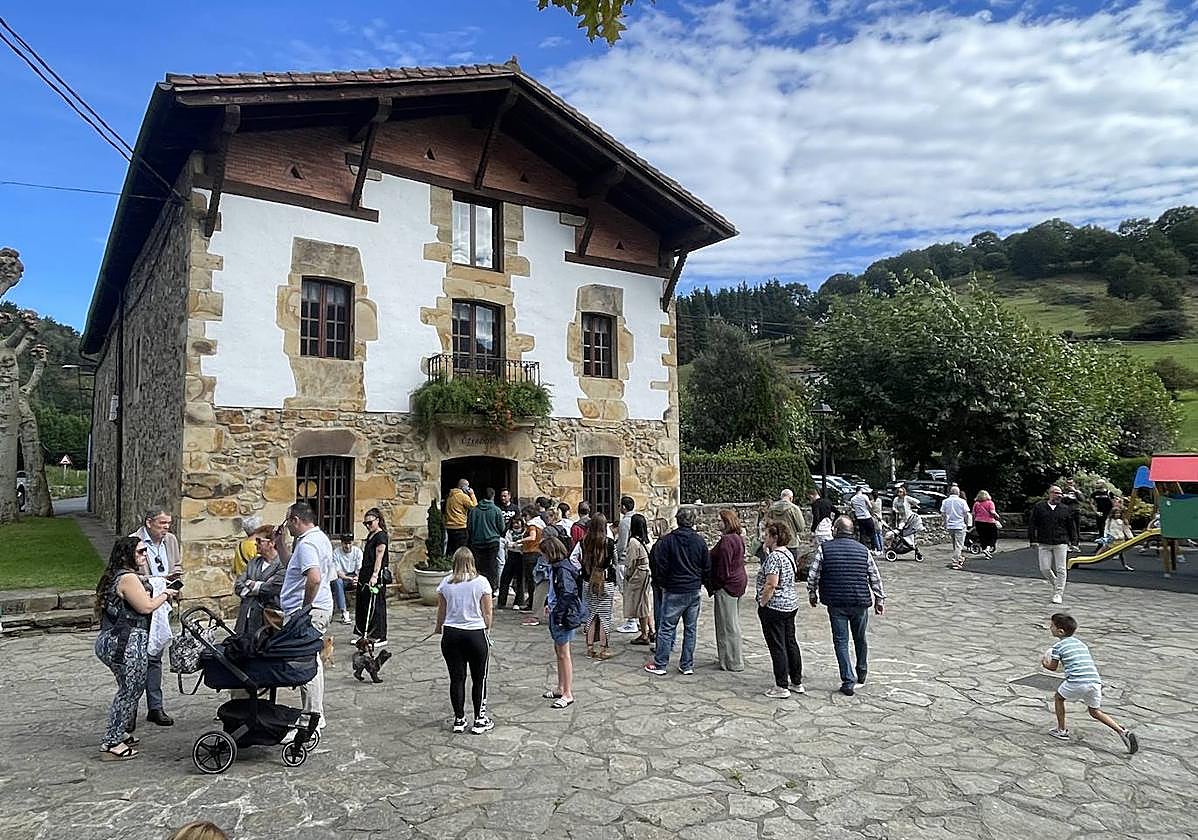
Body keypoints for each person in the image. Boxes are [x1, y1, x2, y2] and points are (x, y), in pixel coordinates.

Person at [93, 536, 177, 760]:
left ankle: (119, 733)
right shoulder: (128, 578)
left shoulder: (119, 575)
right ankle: (112, 742)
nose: (144, 555)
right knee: (129, 691)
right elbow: (146, 606)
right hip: (125, 643)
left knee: (128, 688)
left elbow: (145, 582)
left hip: (117, 640)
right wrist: (165, 595)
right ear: (127, 555)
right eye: (140, 552)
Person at [807, 516, 886, 696]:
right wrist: (879, 600)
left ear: (835, 530)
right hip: (859, 600)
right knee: (860, 638)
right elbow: (874, 576)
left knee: (841, 641)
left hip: (836, 601)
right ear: (851, 532)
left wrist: (812, 593)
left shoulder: (825, 549)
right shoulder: (863, 550)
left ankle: (848, 679)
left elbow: (813, 574)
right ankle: (862, 670)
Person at [1042, 613, 1138, 754]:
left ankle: (1061, 730)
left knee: (1059, 698)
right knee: (1095, 711)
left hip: (1077, 681)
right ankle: (1122, 731)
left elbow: (1053, 667)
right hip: (1094, 682)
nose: (1050, 627)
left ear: (1060, 631)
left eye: (1052, 626)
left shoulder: (1057, 647)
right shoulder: (1081, 644)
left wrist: (1044, 663)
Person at [280, 502, 334, 730]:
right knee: (312, 659)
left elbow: (313, 577)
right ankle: (314, 712)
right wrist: (279, 544)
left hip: (309, 612)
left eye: (287, 521)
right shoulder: (317, 539)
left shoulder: (308, 544)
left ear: (295, 520)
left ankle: (313, 715)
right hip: (319, 608)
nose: (286, 526)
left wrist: (304, 608)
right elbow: (291, 566)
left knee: (305, 661)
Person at [130, 506, 181, 727]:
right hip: (141, 604)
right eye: (162, 524)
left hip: (163, 606)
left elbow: (177, 564)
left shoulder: (170, 540)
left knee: (155, 658)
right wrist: (156, 580)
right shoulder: (134, 542)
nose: (166, 528)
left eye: (168, 524)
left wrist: (175, 580)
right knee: (136, 659)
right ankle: (129, 710)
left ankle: (155, 707)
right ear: (149, 522)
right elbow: (129, 575)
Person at [644, 506, 710, 677]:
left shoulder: (668, 541)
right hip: (692, 589)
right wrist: (701, 581)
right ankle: (686, 664)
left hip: (674, 589)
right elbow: (706, 566)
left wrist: (663, 584)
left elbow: (660, 566)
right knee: (690, 628)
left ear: (677, 520)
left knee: (666, 627)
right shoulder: (699, 541)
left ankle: (661, 663)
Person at [435, 547, 495, 734]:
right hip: (475, 633)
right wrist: (487, 628)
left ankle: (459, 719)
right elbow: (487, 611)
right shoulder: (481, 582)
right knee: (479, 679)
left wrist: (439, 627)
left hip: (452, 634)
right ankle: (479, 719)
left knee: (457, 678)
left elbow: (441, 610)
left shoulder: (446, 583)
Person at [756, 521, 804, 697]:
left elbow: (771, 583)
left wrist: (762, 601)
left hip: (775, 606)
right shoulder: (788, 554)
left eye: (767, 535)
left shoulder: (775, 558)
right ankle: (796, 680)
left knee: (777, 645)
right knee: (790, 642)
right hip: (790, 603)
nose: (764, 537)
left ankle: (781, 685)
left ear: (775, 537)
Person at [706, 509, 747, 672]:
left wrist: (716, 585)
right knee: (731, 622)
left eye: (720, 521)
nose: (717, 523)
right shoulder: (738, 538)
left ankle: (732, 661)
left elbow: (723, 568)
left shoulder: (727, 541)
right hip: (738, 582)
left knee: (728, 624)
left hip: (728, 585)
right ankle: (728, 658)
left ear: (727, 522)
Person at [544, 534, 582, 708]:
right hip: (558, 612)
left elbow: (566, 594)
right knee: (559, 652)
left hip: (563, 615)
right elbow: (555, 590)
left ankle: (567, 692)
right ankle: (561, 687)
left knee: (564, 653)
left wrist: (558, 615)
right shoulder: (558, 567)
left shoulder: (562, 569)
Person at [573, 513, 617, 659]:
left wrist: (583, 568)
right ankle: (604, 648)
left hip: (588, 581)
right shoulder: (610, 543)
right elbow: (615, 562)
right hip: (605, 581)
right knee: (604, 616)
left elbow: (573, 558)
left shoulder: (583, 542)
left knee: (592, 614)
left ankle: (590, 647)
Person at [1028, 485, 1079, 604]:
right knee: (1044, 568)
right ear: (1050, 493)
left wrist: (1074, 541)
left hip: (1061, 541)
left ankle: (1058, 593)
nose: (1059, 495)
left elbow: (1071, 526)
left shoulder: (1065, 509)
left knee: (1061, 568)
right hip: (1044, 541)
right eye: (1056, 493)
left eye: (1060, 493)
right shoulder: (1039, 507)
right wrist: (1032, 539)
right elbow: (1032, 524)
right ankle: (1057, 583)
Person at [233, 525, 284, 637]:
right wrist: (258, 587)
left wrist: (252, 585)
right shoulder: (254, 562)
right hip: (245, 619)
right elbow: (238, 585)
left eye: (259, 540)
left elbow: (273, 589)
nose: (255, 544)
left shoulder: (282, 565)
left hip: (267, 621)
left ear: (272, 543)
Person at [354, 507, 389, 645]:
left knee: (376, 604)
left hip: (375, 574)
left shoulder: (381, 536)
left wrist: (374, 575)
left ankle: (380, 635)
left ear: (378, 521)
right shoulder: (371, 535)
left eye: (370, 523)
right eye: (366, 524)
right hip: (365, 572)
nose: (368, 526)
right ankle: (364, 633)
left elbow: (379, 556)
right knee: (363, 603)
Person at [623, 513, 654, 646]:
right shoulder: (647, 540)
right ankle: (651, 630)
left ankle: (644, 634)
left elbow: (630, 562)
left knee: (640, 604)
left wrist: (628, 576)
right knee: (645, 601)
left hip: (638, 573)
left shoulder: (633, 542)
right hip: (647, 571)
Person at [467, 487, 506, 593]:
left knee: (478, 566)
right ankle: (492, 588)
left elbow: (469, 527)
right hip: (492, 541)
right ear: (493, 496)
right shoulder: (496, 510)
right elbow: (502, 527)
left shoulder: (474, 511)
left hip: (477, 542)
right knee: (492, 565)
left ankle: (477, 587)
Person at [614, 496, 639, 633]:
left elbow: (622, 544)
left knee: (626, 591)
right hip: (635, 559)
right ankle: (636, 618)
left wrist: (616, 558)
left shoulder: (625, 522)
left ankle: (631, 621)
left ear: (623, 507)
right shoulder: (638, 518)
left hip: (624, 560)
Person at [519, 504, 545, 622]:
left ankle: (531, 603)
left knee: (531, 580)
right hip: (536, 553)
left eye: (525, 516)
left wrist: (519, 540)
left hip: (530, 553)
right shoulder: (540, 523)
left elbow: (532, 537)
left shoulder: (532, 525)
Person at [330, 533, 362, 625]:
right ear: (341, 543)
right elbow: (338, 572)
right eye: (345, 543)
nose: (347, 546)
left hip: (354, 576)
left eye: (349, 543)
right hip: (342, 577)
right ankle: (344, 612)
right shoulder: (336, 552)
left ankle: (366, 609)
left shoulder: (357, 552)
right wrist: (349, 578)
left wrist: (356, 578)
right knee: (338, 582)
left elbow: (360, 569)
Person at [498, 514, 526, 610]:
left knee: (519, 580)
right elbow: (507, 543)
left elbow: (523, 544)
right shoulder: (509, 532)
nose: (515, 525)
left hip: (521, 557)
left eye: (517, 523)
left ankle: (518, 602)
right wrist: (515, 545)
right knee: (505, 579)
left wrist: (515, 545)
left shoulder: (524, 532)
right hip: (511, 556)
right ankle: (501, 602)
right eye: (514, 523)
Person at [766, 489, 807, 554]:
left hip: (775, 542)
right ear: (791, 498)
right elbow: (801, 527)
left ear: (781, 496)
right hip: (791, 542)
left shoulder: (772, 508)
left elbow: (767, 524)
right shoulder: (794, 509)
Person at [941, 487, 971, 570]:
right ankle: (955, 562)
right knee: (959, 545)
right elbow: (966, 514)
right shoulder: (962, 501)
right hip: (959, 525)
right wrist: (966, 523)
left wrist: (945, 523)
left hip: (950, 525)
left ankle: (960, 557)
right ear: (958, 493)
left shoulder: (945, 501)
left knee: (955, 544)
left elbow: (943, 513)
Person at [444, 479, 477, 554]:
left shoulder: (450, 495)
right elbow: (474, 506)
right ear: (463, 487)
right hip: (460, 527)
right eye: (468, 487)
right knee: (461, 551)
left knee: (451, 550)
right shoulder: (462, 496)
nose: (469, 489)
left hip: (449, 527)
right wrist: (472, 494)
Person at [971, 491, 1001, 558]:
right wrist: (997, 516)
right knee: (993, 537)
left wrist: (974, 523)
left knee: (983, 537)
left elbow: (973, 514)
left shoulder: (976, 503)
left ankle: (985, 550)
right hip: (989, 522)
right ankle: (987, 549)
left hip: (978, 522)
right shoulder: (990, 503)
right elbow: (992, 512)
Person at [1060, 478, 1082, 552]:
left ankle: (1076, 544)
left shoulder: (1077, 491)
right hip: (1067, 511)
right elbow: (1060, 501)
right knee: (1068, 528)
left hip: (1076, 511)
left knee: (1076, 528)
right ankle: (1069, 544)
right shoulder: (1063, 491)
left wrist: (1075, 491)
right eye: (1068, 483)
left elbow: (1082, 499)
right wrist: (1065, 497)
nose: (1070, 485)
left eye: (1071, 483)